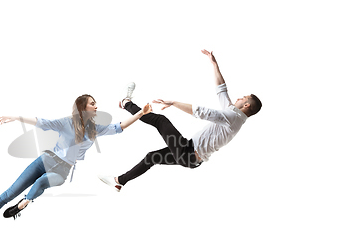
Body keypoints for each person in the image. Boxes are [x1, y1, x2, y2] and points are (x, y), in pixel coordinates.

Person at [0, 94, 152, 231]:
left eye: (96, 104)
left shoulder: (95, 129)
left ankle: (23, 204)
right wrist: (16, 117)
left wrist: (140, 114)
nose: (96, 106)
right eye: (92, 104)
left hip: (62, 171)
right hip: (44, 160)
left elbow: (120, 126)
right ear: (83, 107)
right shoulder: (66, 123)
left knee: (41, 182)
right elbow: (41, 122)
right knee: (9, 193)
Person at [98, 50, 262, 191]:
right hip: (188, 152)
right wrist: (214, 64)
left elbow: (202, 112)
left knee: (161, 121)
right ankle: (119, 182)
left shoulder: (232, 118)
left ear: (246, 105)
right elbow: (222, 90)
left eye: (243, 97)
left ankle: (126, 103)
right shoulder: (234, 114)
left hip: (188, 154)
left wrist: (174, 103)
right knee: (151, 157)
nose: (239, 97)